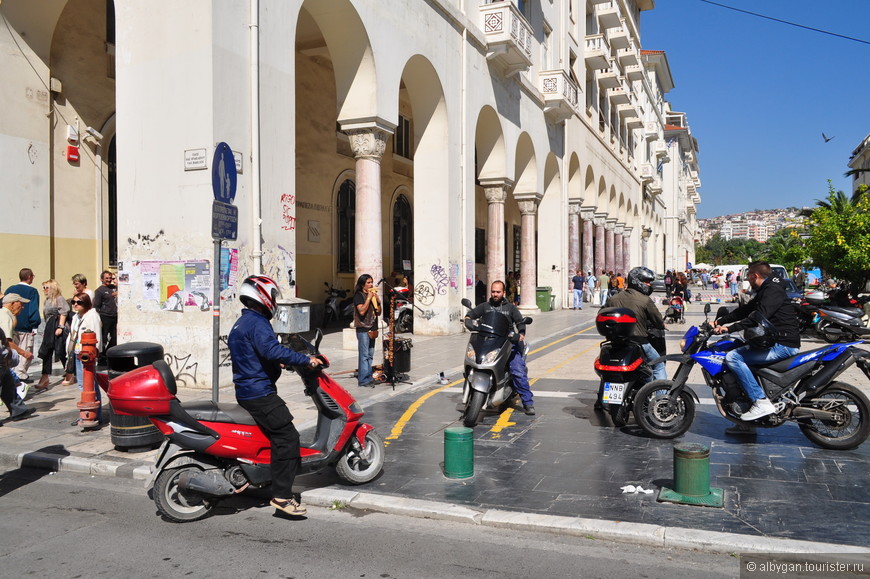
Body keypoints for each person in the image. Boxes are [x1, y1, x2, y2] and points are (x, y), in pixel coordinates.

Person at [228, 275, 322, 517]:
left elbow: (254, 354)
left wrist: (274, 364)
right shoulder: (258, 323)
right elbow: (270, 348)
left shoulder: (243, 322)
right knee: (287, 436)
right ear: (262, 295)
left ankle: (266, 476)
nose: (274, 302)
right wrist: (306, 359)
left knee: (273, 434)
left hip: (248, 390)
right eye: (273, 296)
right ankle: (282, 495)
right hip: (259, 393)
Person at [713, 261, 801, 431]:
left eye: (748, 277)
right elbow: (745, 310)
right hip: (775, 341)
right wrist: (718, 321)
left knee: (733, 357)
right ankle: (746, 422)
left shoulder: (772, 291)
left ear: (755, 276)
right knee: (736, 347)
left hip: (783, 345)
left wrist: (730, 328)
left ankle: (760, 401)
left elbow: (759, 316)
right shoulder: (766, 290)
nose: (747, 280)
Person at [465, 280, 535, 415]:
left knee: (517, 370)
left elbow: (520, 322)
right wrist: (468, 319)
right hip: (489, 342)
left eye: (498, 292)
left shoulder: (510, 308)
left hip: (508, 342)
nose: (495, 294)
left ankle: (528, 402)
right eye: (493, 291)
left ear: (503, 292)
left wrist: (520, 334)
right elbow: (472, 314)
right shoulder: (485, 306)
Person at [603, 267, 667, 404]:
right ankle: (662, 399)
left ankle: (601, 399)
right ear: (637, 281)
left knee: (608, 367)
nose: (649, 285)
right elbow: (658, 321)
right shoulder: (645, 300)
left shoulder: (613, 298)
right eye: (647, 281)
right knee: (659, 364)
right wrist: (661, 325)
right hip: (639, 342)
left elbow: (603, 313)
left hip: (615, 342)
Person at [67, 293, 103, 424]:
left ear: (86, 303)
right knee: (83, 385)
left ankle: (95, 414)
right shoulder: (76, 316)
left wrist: (95, 353)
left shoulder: (92, 316)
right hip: (77, 353)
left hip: (87, 355)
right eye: (73, 302)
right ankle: (86, 412)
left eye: (79, 302)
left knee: (91, 385)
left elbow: (96, 336)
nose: (75, 304)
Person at [5, 268, 40, 381]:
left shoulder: (10, 289)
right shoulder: (32, 291)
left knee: (12, 351)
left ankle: (13, 374)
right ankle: (20, 376)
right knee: (25, 351)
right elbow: (33, 309)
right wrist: (34, 325)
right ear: (29, 277)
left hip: (12, 326)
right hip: (25, 326)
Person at [35, 279, 70, 391]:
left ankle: (69, 373)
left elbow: (63, 312)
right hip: (50, 327)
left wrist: (60, 327)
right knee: (46, 351)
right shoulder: (47, 301)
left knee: (60, 351)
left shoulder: (59, 298)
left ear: (53, 288)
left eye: (47, 287)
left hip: (57, 326)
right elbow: (46, 316)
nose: (44, 290)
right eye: (44, 287)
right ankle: (44, 377)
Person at [353, 274, 380, 388]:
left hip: (372, 328)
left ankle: (368, 377)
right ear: (362, 284)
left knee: (370, 354)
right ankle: (363, 380)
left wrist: (377, 301)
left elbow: (378, 312)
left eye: (371, 282)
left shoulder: (372, 296)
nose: (371, 285)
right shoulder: (358, 296)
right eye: (368, 282)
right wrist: (368, 298)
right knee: (364, 355)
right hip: (363, 328)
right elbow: (362, 312)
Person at [93, 270, 118, 365]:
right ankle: (101, 358)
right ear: (101, 279)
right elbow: (96, 306)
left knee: (115, 338)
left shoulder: (113, 287)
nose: (109, 280)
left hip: (115, 317)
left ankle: (108, 354)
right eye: (106, 278)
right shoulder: (99, 291)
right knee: (103, 338)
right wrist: (99, 319)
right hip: (105, 317)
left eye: (110, 278)